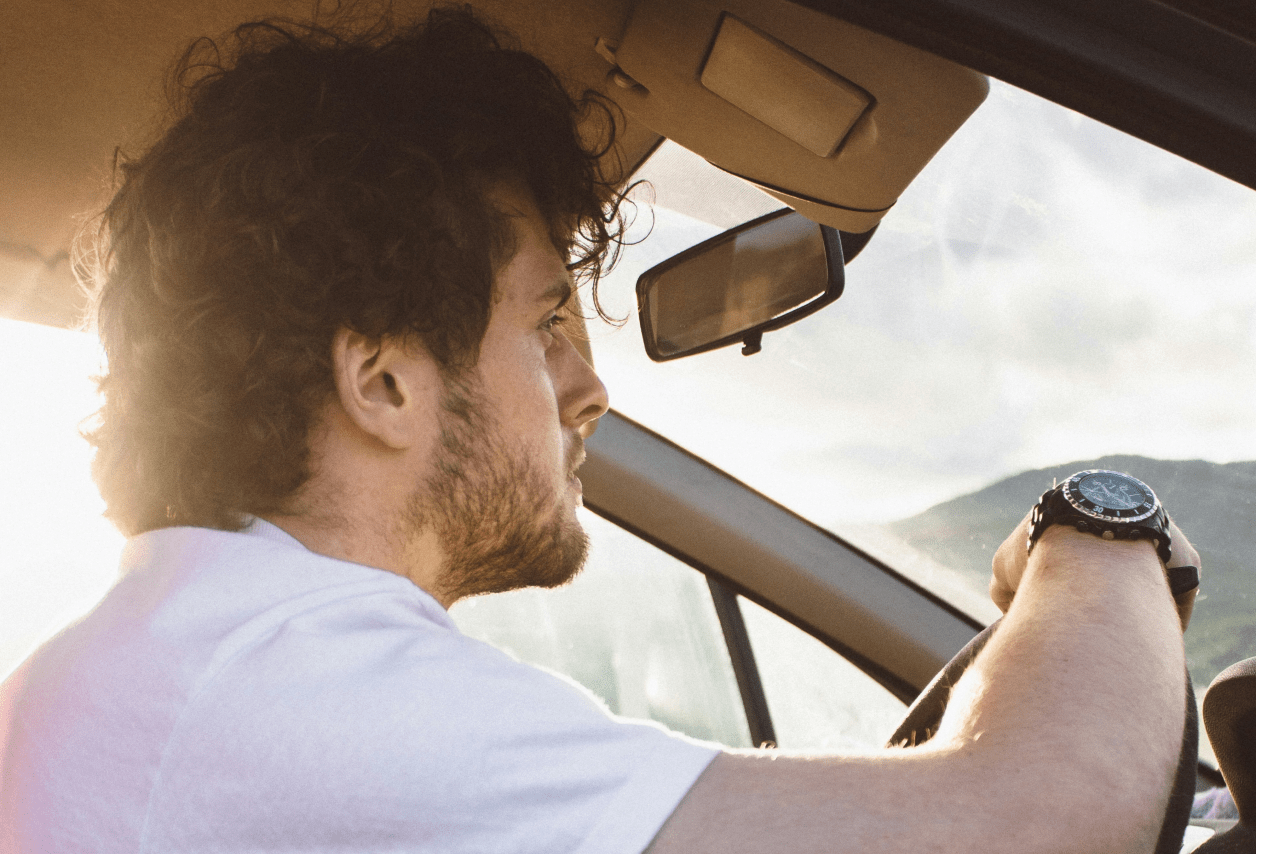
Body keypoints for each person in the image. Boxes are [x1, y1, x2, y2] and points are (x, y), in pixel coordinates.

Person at [0, 7, 1199, 853]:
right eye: (545, 324)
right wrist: (1097, 530)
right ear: (380, 381)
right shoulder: (279, 682)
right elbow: (1039, 822)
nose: (591, 389)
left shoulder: (202, 651)